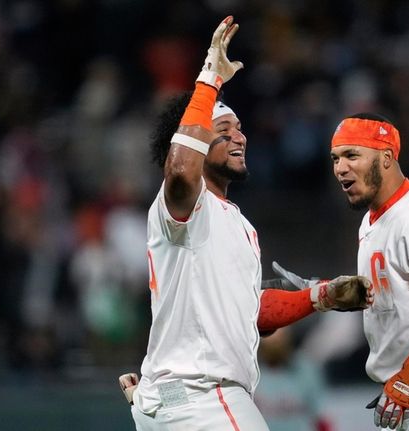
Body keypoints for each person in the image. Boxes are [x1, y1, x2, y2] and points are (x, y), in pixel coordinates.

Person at [121, 16, 371, 431]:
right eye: (224, 130)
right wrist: (209, 80)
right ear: (195, 142)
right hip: (203, 397)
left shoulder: (235, 221)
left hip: (173, 398)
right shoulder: (183, 203)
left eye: (239, 128)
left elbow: (248, 309)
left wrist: (320, 297)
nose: (240, 137)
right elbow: (182, 169)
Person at [273, 17, 409, 431]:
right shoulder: (373, 220)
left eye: (352, 155)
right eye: (335, 158)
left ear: (386, 157)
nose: (340, 168)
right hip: (406, 397)